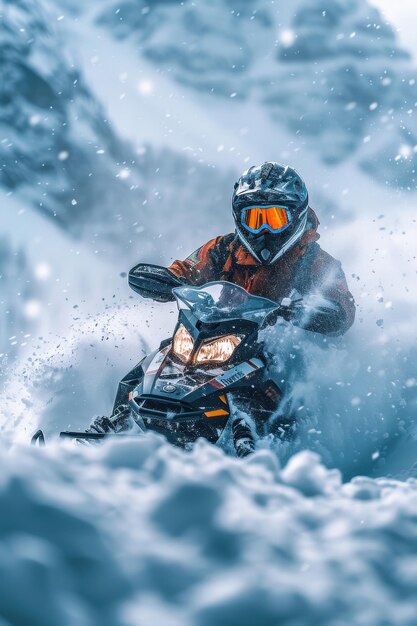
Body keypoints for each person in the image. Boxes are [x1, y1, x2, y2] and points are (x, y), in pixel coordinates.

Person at [130, 162, 355, 336]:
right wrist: (167, 281)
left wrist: (303, 314)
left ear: (296, 216)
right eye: (255, 219)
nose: (265, 230)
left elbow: (343, 309)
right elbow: (186, 270)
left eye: (275, 219)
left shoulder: (316, 261)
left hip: (279, 352)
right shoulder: (222, 248)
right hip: (214, 339)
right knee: (145, 371)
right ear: (239, 218)